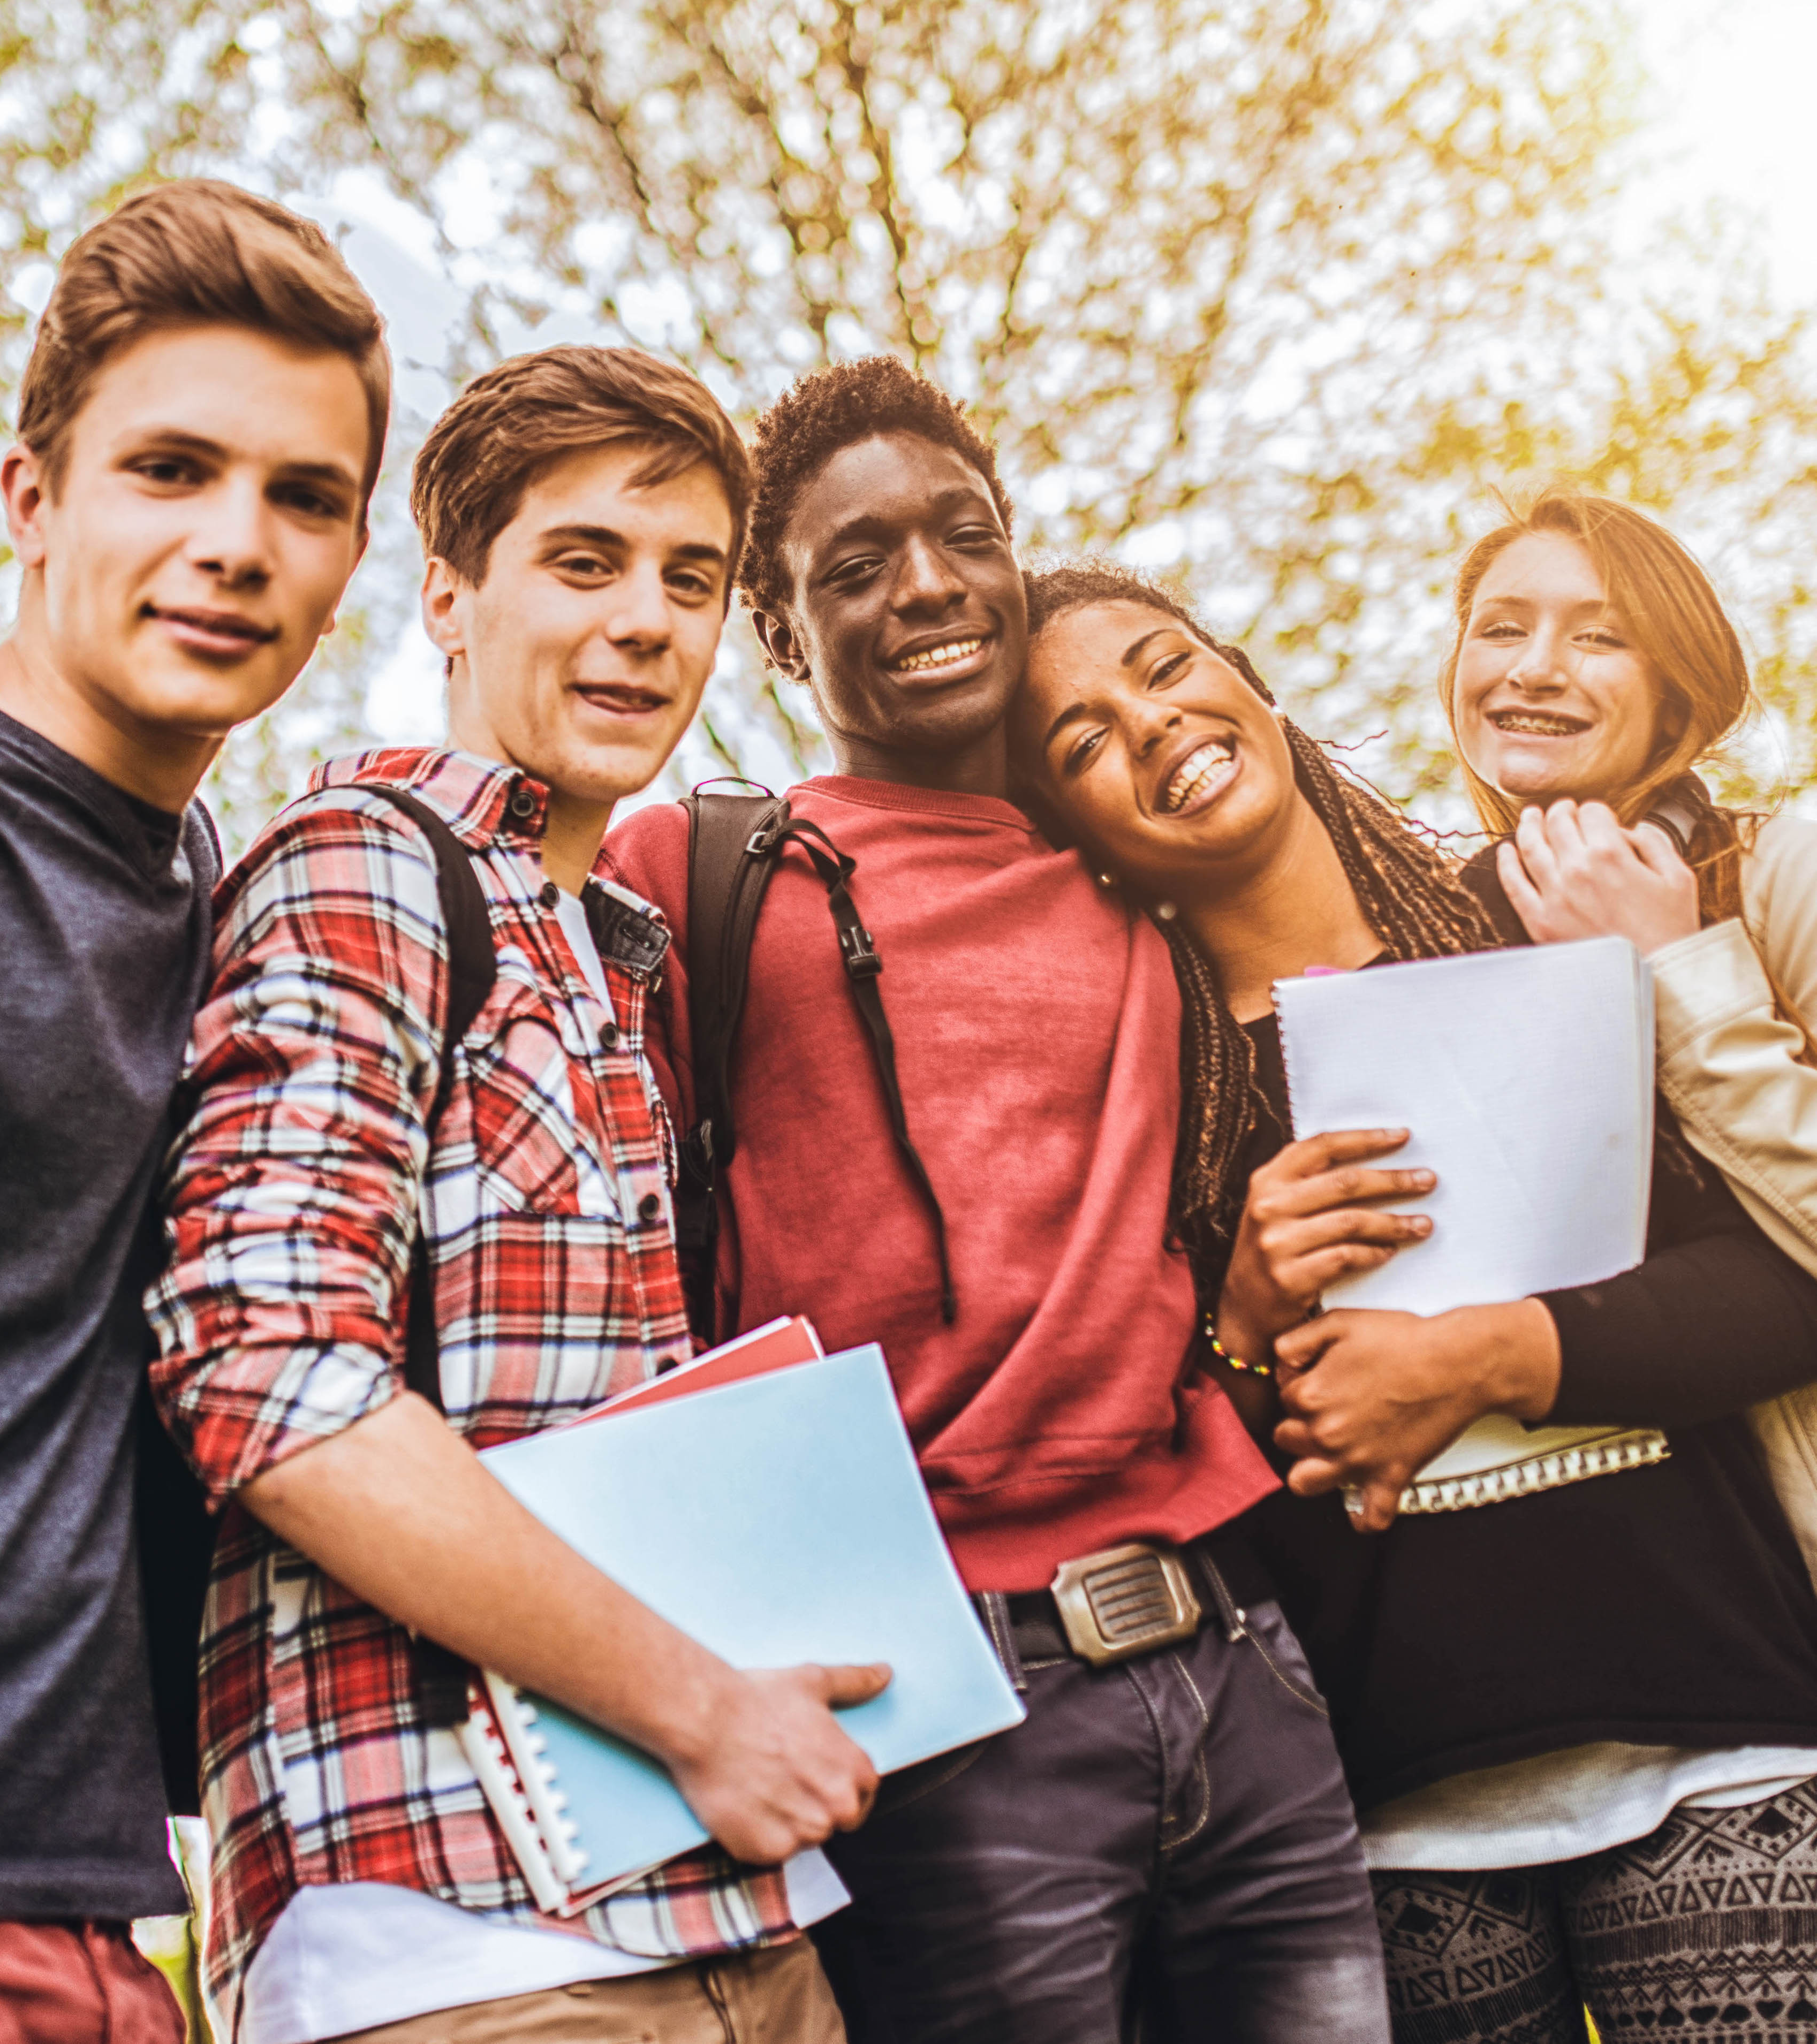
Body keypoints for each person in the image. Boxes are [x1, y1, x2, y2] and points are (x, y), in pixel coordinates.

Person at [599, 358, 1391, 2044]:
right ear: (786, 641)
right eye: (858, 564)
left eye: (964, 535)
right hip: (943, 1700)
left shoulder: (1124, 871)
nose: (930, 586)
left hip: (1240, 1645)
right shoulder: (700, 874)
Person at [146, 344, 880, 2044]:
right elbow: (264, 1367)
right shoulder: (365, 860)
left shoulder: (623, 957)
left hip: (726, 1915)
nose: (646, 619)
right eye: (583, 560)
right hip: (445, 1935)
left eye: (689, 579)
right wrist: (695, 1702)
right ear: (449, 601)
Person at [1010, 553, 1817, 2044]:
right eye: (1076, 739)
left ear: (1249, 678)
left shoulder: (1548, 919)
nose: (1146, 722)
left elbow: (1788, 1285)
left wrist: (1493, 1351)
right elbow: (1151, 1468)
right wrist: (1239, 1323)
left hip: (1719, 1736)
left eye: (1166, 664)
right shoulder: (1135, 1099)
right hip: (1396, 1825)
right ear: (1072, 834)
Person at [0, 181, 387, 2043]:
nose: (236, 545)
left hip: (99, 1922)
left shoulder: (218, 896)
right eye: (171, 470)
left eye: (304, 497)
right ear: (32, 500)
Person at [1445, 489, 1817, 1580]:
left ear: (1672, 699)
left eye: (1597, 636)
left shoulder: (1778, 873)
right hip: (1659, 1631)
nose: (1533, 666)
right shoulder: (1430, 938)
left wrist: (1677, 973)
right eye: (1500, 627)